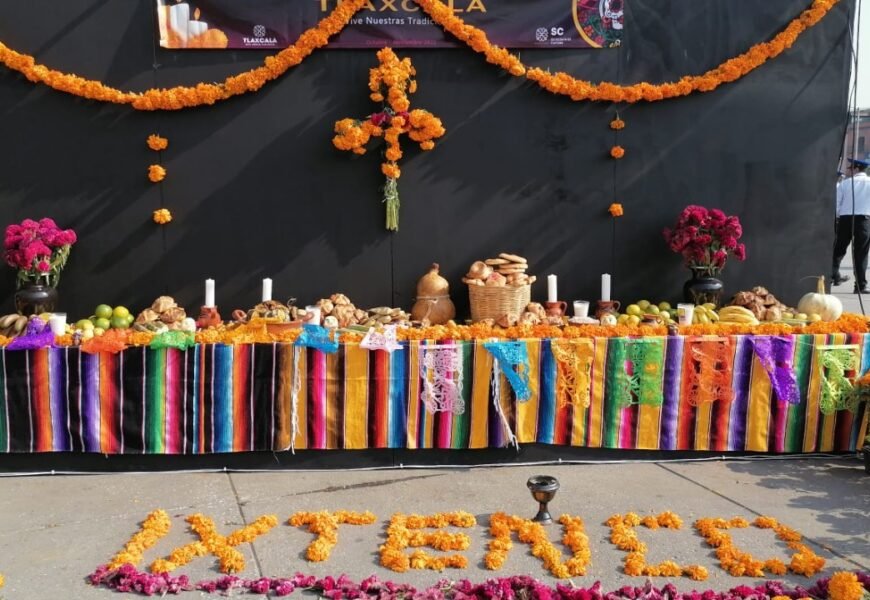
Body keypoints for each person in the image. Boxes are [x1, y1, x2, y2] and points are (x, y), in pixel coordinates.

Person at [832, 157, 870, 292]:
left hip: (845, 219)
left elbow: (837, 203)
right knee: (861, 253)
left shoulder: (845, 183)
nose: (848, 171)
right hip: (864, 220)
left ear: (856, 169)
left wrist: (839, 216)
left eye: (850, 168)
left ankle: (832, 275)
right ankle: (860, 285)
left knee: (838, 249)